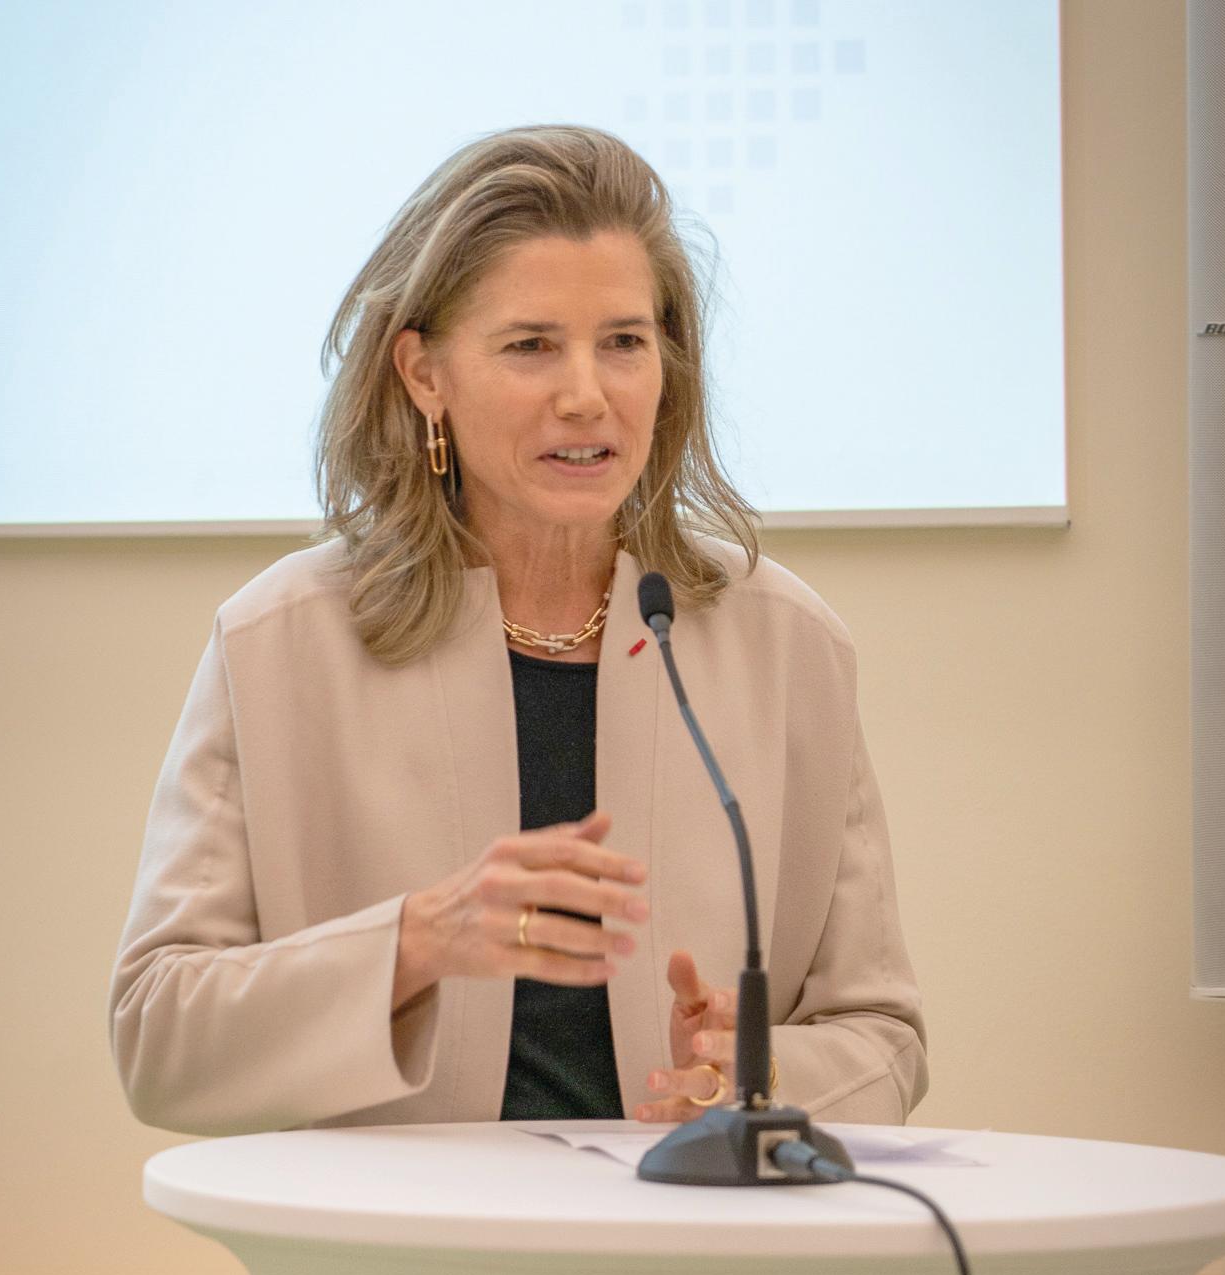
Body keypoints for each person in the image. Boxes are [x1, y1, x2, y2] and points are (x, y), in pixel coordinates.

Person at [107, 124, 928, 1138]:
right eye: (531, 345)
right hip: (398, 1233)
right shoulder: (280, 644)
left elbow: (883, 1036)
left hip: (694, 1228)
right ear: (424, 374)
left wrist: (756, 1073)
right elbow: (159, 1045)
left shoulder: (787, 646)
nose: (586, 395)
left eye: (623, 342)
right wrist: (412, 943)